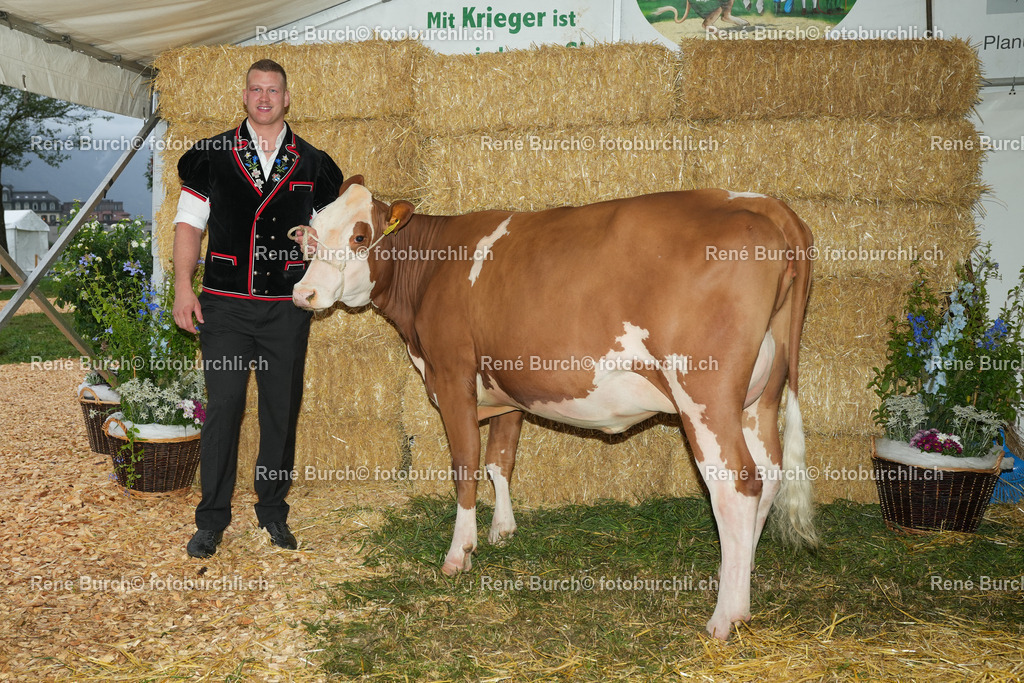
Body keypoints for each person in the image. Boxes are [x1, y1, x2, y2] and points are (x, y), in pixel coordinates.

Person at [172, 59, 343, 558]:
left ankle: (272, 511)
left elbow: (328, 237)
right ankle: (212, 519)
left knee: (279, 411)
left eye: (273, 90)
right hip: (223, 306)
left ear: (287, 98)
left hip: (285, 309)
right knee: (223, 408)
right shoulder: (212, 155)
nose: (264, 98)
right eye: (256, 89)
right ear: (244, 96)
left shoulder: (314, 164)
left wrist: (316, 245)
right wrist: (185, 287)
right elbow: (189, 226)